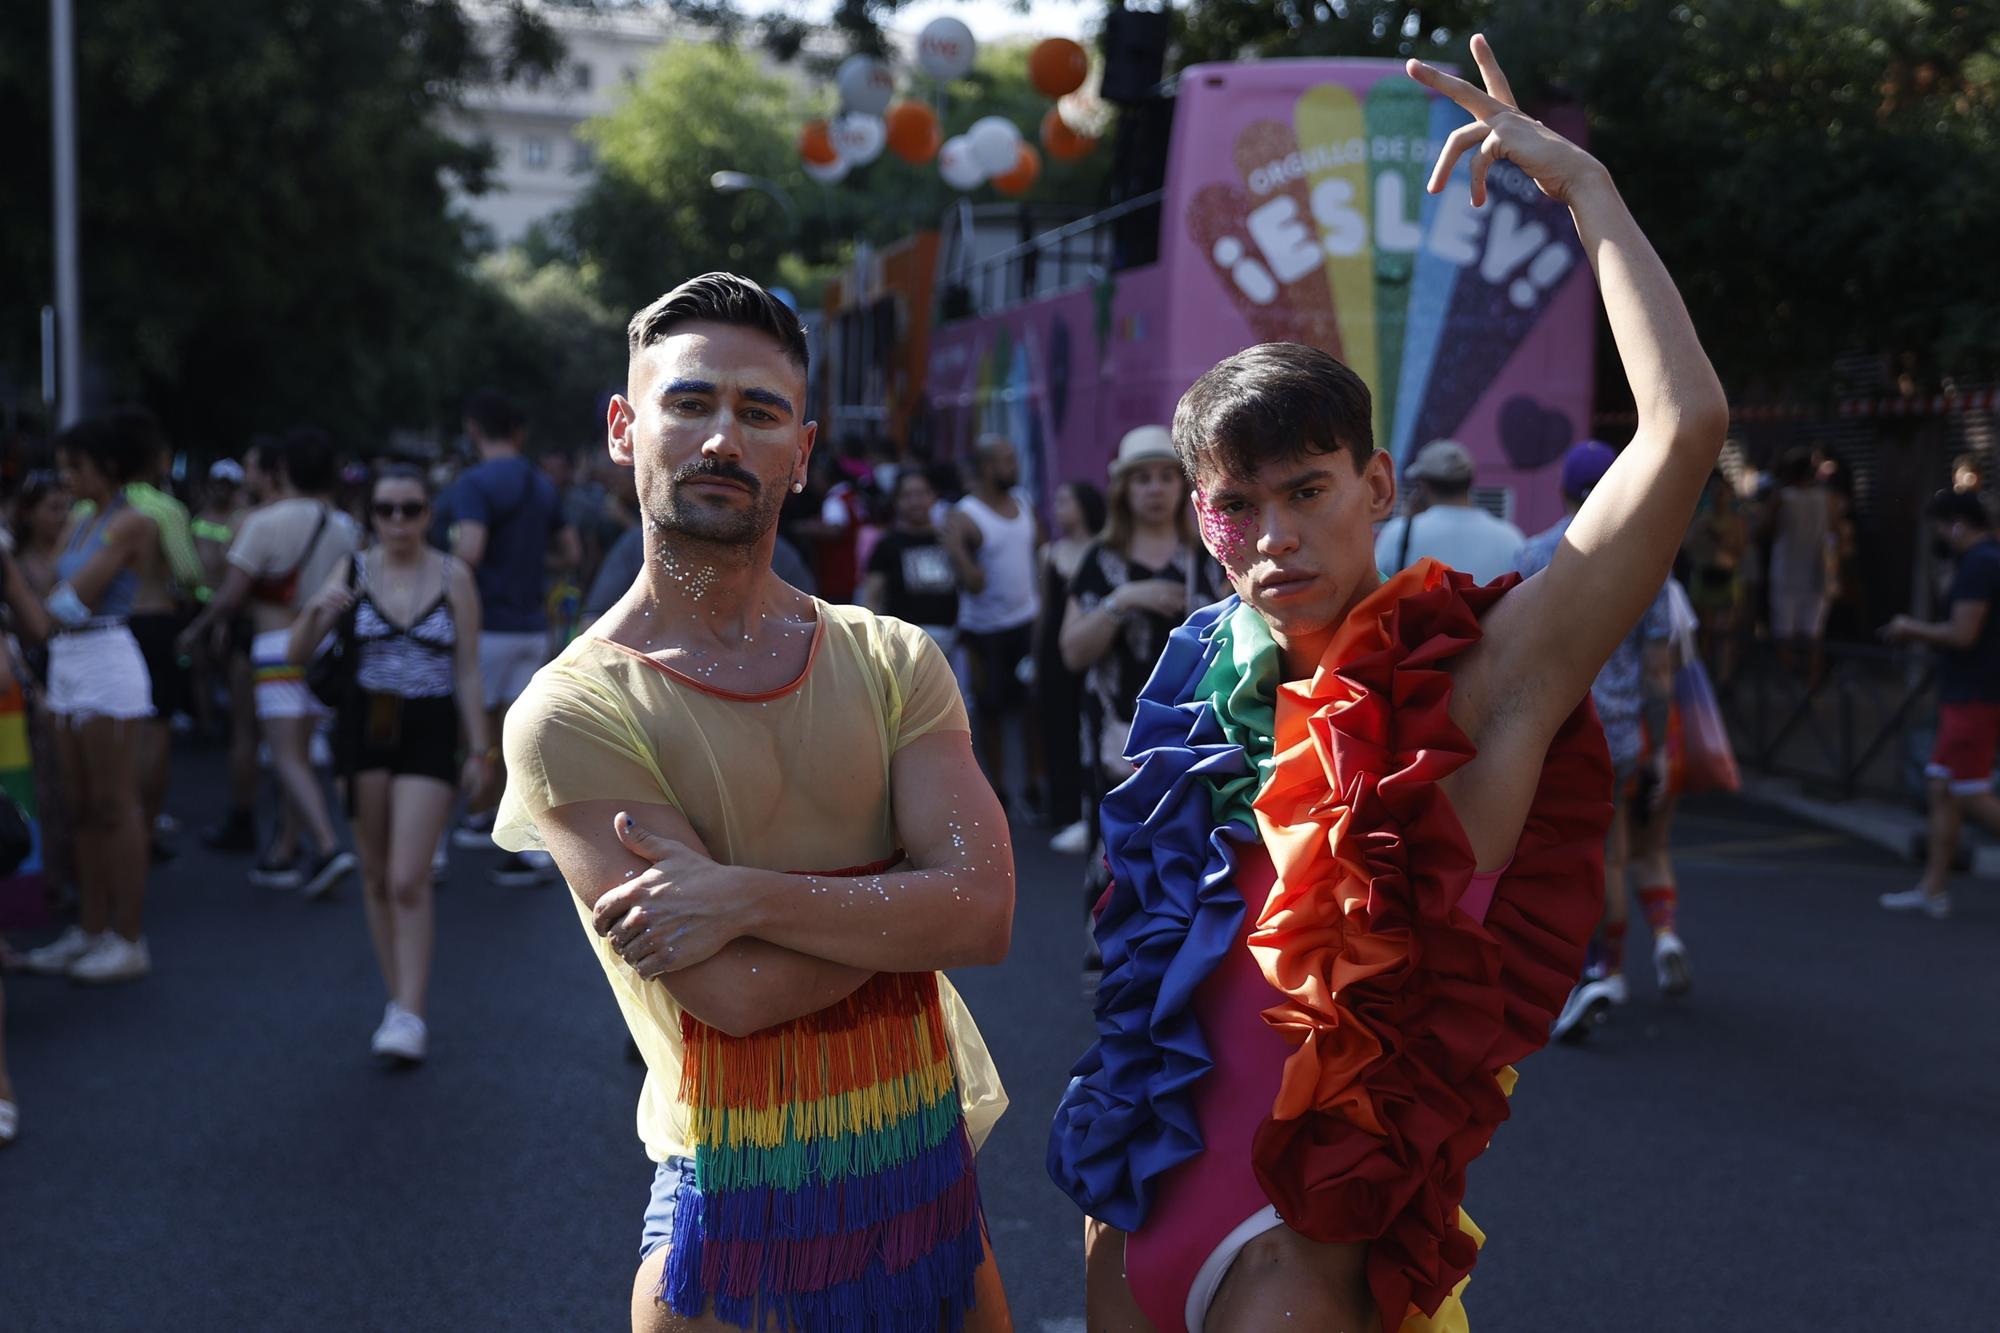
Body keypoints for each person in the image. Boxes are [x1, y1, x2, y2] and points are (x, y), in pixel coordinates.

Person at [1049, 39, 1728, 1332]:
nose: (1273, 537)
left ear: (1379, 490)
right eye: (1238, 507)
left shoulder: (1483, 678)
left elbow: (1684, 431)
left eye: (1308, 491)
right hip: (1133, 1216)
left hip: (1306, 1248)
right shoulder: (1199, 680)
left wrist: (1589, 192)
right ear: (1203, 523)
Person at [494, 273, 1013, 1333]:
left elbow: (985, 911)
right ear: (622, 428)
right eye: (690, 403)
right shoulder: (571, 710)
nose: (722, 438)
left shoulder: (888, 656)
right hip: (731, 1223)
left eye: (758, 411)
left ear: (803, 450)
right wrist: (906, 897)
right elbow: (736, 992)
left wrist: (739, 889)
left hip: (925, 1200)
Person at [289, 466, 489, 1062]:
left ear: (430, 514)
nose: (398, 522)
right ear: (370, 515)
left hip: (429, 729)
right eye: (386, 510)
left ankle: (411, 1010)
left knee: (408, 876)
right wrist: (316, 612)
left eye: (411, 509)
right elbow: (297, 657)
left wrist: (480, 749)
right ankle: (396, 1001)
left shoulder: (455, 577)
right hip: (364, 725)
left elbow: (468, 670)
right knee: (376, 875)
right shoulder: (351, 570)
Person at [1523, 442, 1684, 1039]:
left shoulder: (1535, 551)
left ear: (1564, 491)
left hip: (1550, 730)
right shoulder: (1650, 559)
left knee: (1549, 859)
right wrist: (1661, 745)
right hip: (1617, 736)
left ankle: (1569, 973)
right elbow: (1660, 670)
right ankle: (1605, 966)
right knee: (1612, 854)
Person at [180, 427, 360, 896]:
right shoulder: (344, 525)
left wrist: (197, 631)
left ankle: (326, 846)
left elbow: (231, 595)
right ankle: (285, 848)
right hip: (323, 646)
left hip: (276, 645)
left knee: (286, 757)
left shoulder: (265, 522)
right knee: (302, 754)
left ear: (282, 470)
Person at [19, 418, 160, 983]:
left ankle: (129, 938)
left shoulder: (131, 522)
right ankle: (91, 928)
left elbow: (65, 603)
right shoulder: (82, 522)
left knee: (115, 804)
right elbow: (50, 601)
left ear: (109, 465)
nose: (66, 478)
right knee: (80, 807)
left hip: (105, 659)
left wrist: (19, 586)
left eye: (76, 466)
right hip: (70, 663)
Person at [438, 389, 579, 887]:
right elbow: (570, 552)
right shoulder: (541, 484)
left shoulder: (474, 482)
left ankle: (457, 826)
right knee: (516, 737)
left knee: (467, 731)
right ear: (516, 432)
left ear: (474, 429)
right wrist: (527, 564)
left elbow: (470, 550)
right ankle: (519, 840)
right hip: (531, 627)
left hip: (486, 626)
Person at [1061, 425, 1223, 835]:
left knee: (1189, 850)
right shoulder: (1100, 560)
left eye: (1166, 477)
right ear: (1124, 490)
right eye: (1142, 479)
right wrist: (1124, 599)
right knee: (1119, 854)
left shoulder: (1208, 557)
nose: (1155, 489)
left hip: (1194, 733)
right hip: (1116, 732)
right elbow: (1073, 652)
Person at [1880, 489, 2000, 917]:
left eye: (1939, 529)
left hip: (1974, 694)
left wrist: (1911, 627)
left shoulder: (1979, 564)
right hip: (1972, 692)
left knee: (1969, 793)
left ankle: (1933, 888)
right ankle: (1933, 888)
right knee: (1943, 788)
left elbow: (1963, 633)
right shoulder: (1981, 561)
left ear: (1956, 525)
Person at [943, 435, 1044, 817]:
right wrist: (956, 550)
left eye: (1013, 458)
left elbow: (1037, 554)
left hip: (1025, 623)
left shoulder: (1023, 504)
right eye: (1005, 460)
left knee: (1031, 707)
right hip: (984, 632)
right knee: (991, 712)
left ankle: (1034, 785)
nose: (1013, 466)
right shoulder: (966, 516)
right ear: (986, 467)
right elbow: (973, 584)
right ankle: (997, 792)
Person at [583, 513, 814, 630]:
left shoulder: (782, 559)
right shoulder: (636, 546)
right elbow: (593, 622)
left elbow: (808, 633)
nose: (720, 446)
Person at [1039, 479, 1106, 855]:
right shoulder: (1049, 552)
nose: (1059, 507)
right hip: (1055, 648)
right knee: (1058, 726)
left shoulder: (1103, 551)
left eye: (1066, 500)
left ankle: (1088, 808)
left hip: (1092, 647)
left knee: (1090, 725)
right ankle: (1063, 808)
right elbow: (1046, 609)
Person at [1373, 438, 1525, 581]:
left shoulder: (1399, 533)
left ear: (1423, 485)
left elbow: (1377, 589)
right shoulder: (1511, 537)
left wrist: (1407, 522)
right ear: (1470, 481)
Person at [860, 467, 958, 652]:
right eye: (907, 495)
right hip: (903, 644)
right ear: (896, 501)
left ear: (933, 496)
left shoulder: (948, 539)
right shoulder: (887, 545)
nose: (915, 502)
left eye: (921, 493)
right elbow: (872, 595)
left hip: (951, 641)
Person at [1765, 446, 1830, 680]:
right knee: (1813, 635)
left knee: (1784, 634)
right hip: (1817, 573)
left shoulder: (1782, 498)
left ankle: (1789, 682)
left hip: (1786, 572)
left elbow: (1766, 529)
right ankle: (1811, 684)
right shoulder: (1825, 498)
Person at [1684, 469, 1747, 675]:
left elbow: (1741, 549)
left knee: (1725, 635)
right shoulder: (1701, 519)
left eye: (1723, 491)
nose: (1719, 496)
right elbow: (1688, 545)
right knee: (1704, 632)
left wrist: (1721, 539)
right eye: (1715, 491)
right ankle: (1704, 677)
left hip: (1727, 580)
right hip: (1704, 577)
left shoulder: (1736, 521)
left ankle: (1723, 677)